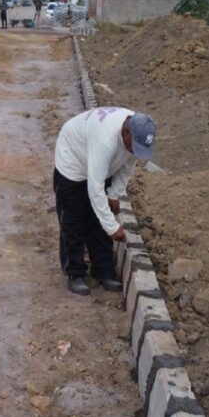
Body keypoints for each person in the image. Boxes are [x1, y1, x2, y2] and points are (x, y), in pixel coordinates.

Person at [53, 108, 157, 296]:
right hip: (73, 161)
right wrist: (113, 227)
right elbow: (95, 188)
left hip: (100, 165)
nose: (135, 151)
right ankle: (75, 273)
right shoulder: (105, 140)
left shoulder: (138, 131)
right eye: (134, 146)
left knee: (99, 222)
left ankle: (103, 271)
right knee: (74, 221)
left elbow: (126, 168)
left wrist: (114, 194)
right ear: (126, 132)